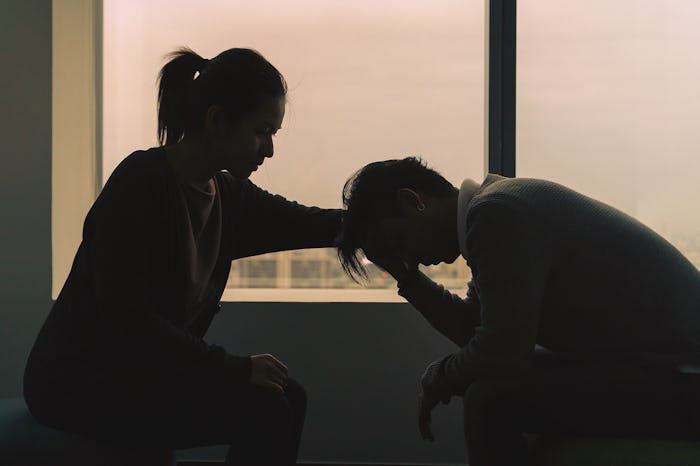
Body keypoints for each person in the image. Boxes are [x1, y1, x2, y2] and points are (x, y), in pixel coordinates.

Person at [24, 47, 341, 465]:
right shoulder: (141, 183)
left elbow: (308, 222)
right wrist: (236, 368)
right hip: (78, 383)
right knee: (267, 410)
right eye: (262, 131)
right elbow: (128, 320)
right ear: (215, 121)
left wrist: (382, 222)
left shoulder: (227, 196)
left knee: (287, 397)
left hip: (141, 374)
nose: (269, 150)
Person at [336, 157, 700, 466]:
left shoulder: (497, 214)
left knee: (489, 398)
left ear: (413, 200)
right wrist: (408, 279)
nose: (411, 258)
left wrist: (438, 376)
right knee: (488, 387)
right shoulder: (495, 207)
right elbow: (477, 331)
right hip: (656, 365)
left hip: (682, 378)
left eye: (398, 243)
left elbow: (501, 353)